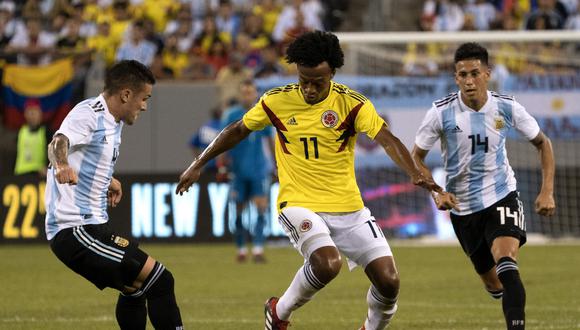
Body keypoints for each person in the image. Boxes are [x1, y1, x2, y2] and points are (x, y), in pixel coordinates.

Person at [176, 30, 441, 330]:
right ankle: (279, 312)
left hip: (349, 207)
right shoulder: (277, 100)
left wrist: (415, 172)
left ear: (333, 73)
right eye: (305, 81)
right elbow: (237, 129)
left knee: (389, 282)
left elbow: (387, 139)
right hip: (298, 203)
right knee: (328, 264)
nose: (310, 89)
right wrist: (198, 163)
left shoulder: (353, 104)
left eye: (319, 82)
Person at [412, 42, 556, 330]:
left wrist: (547, 190)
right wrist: (436, 191)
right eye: (462, 74)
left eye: (475, 73)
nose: (468, 80)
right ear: (455, 78)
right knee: (493, 284)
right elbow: (415, 157)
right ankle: (502, 295)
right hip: (462, 207)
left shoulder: (506, 106)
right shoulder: (440, 113)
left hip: (501, 194)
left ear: (487, 74)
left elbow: (543, 143)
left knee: (507, 262)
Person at [45, 60, 183, 330]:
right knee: (161, 280)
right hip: (75, 231)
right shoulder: (89, 113)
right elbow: (59, 142)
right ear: (126, 95)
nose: (144, 106)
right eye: (144, 98)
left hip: (92, 227)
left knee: (134, 288)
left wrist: (107, 180)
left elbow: (88, 155)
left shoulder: (112, 120)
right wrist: (61, 164)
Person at [219, 79, 273, 263]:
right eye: (245, 92)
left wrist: (276, 165)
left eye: (251, 92)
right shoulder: (232, 114)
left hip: (259, 171)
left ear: (256, 93)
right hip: (238, 171)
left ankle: (257, 250)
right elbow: (222, 140)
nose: (248, 95)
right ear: (241, 94)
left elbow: (270, 141)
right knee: (239, 211)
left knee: (261, 209)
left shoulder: (263, 114)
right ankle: (241, 250)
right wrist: (222, 164)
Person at [14, 99, 49, 177]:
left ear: (40, 114)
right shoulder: (21, 131)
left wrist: (48, 168)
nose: (32, 115)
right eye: (30, 111)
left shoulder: (46, 132)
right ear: (25, 114)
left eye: (35, 111)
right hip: (20, 174)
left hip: (38, 174)